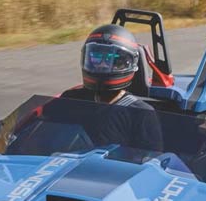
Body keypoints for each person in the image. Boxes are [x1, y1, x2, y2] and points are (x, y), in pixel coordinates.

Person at [56, 24, 162, 152]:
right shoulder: (71, 99)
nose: (102, 65)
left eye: (112, 59)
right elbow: (45, 137)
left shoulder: (141, 113)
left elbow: (149, 159)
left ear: (128, 63)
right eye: (97, 58)